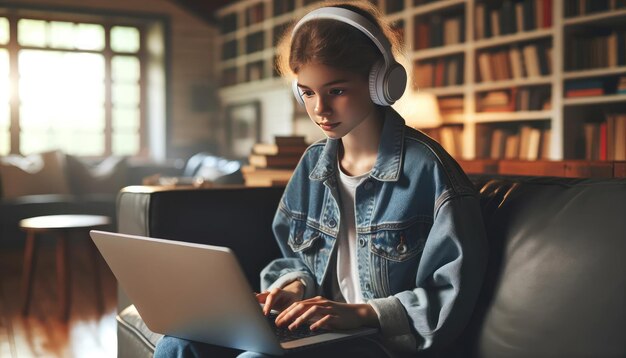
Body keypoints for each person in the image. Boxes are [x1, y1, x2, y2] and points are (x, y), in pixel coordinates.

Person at [155, 1, 487, 357]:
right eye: (309, 92)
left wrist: (359, 313)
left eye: (337, 91)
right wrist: (295, 286)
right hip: (318, 332)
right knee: (178, 342)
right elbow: (294, 257)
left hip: (382, 342)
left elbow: (448, 295)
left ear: (381, 83)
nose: (320, 110)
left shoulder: (430, 170)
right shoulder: (313, 165)